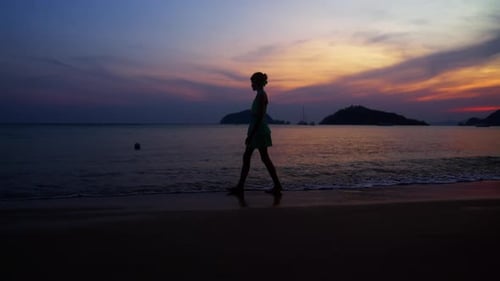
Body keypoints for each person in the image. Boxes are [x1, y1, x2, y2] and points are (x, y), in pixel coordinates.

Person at [228, 72, 283, 199]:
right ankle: (242, 186)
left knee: (255, 157)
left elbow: (260, 117)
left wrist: (251, 135)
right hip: (257, 130)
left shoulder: (261, 95)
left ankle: (241, 187)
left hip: (258, 132)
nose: (251, 85)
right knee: (258, 158)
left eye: (252, 82)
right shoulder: (260, 95)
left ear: (257, 83)